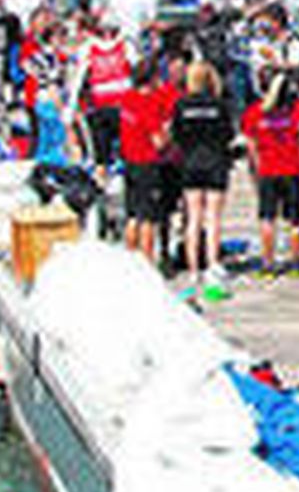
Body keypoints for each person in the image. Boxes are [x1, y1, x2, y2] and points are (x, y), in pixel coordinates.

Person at [243, 74, 299, 277]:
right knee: (294, 220)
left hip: (267, 170)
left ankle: (268, 265)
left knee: (267, 218)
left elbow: (251, 147)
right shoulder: (296, 108)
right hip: (291, 169)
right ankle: (295, 264)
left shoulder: (254, 112)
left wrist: (254, 171)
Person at [172, 60, 234, 302]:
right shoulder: (220, 106)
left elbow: (176, 135)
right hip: (215, 162)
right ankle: (212, 264)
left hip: (190, 164)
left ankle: (193, 270)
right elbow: (229, 134)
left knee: (193, 218)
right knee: (213, 218)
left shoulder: (182, 105)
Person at [118, 59, 169, 262]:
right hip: (147, 162)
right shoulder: (149, 103)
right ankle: (147, 264)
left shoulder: (127, 98)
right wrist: (169, 130)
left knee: (132, 216)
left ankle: (130, 261)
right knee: (148, 218)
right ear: (152, 79)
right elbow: (159, 142)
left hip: (129, 161)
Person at [72, 18, 132, 170]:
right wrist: (71, 106)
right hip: (102, 108)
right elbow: (77, 79)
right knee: (102, 154)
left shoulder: (126, 45)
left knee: (125, 150)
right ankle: (103, 177)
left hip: (124, 106)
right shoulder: (89, 48)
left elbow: (138, 70)